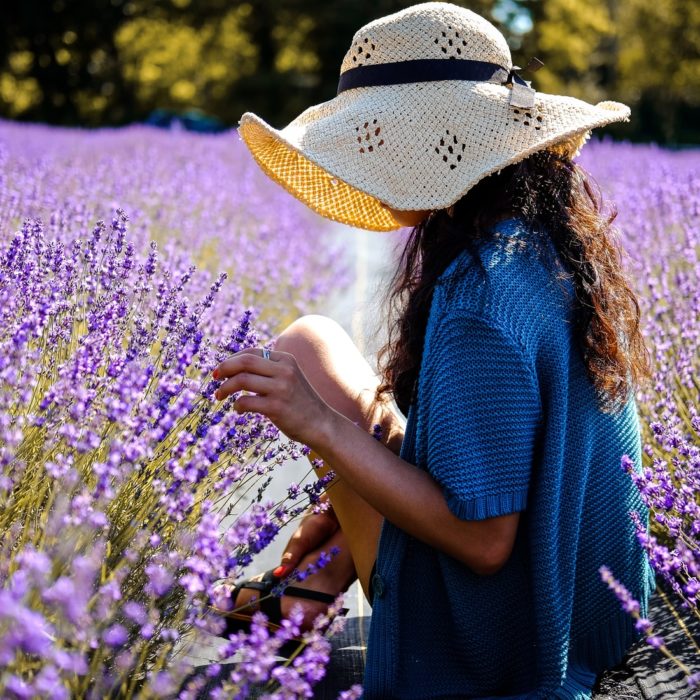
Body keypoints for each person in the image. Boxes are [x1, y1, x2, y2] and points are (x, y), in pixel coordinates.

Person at [211, 3, 656, 697]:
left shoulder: (481, 296)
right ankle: (319, 578)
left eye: (373, 139)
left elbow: (484, 543)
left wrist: (318, 427)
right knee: (311, 343)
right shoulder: (544, 246)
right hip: (592, 606)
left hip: (504, 638)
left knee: (309, 378)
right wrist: (342, 501)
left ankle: (308, 589)